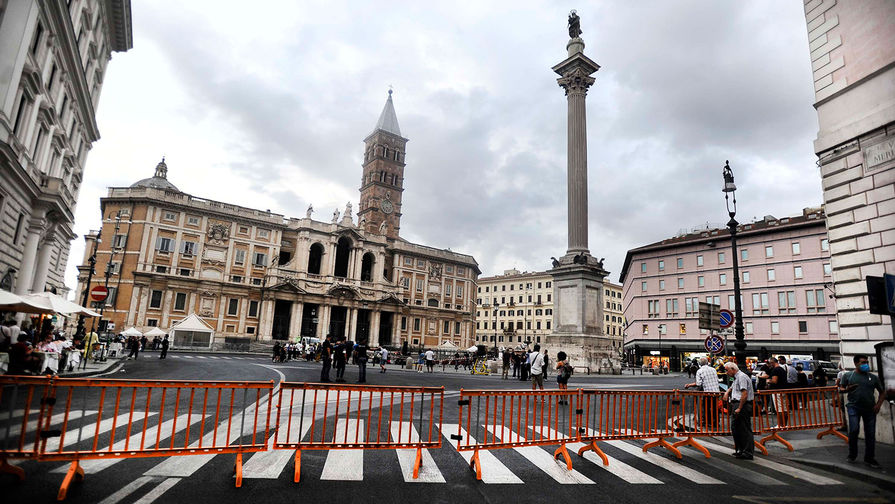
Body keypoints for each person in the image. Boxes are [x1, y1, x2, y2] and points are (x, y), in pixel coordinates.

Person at [840, 354, 885, 467]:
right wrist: (847, 389)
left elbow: (882, 392)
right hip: (853, 407)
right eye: (863, 362)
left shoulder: (873, 377)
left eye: (867, 362)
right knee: (854, 429)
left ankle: (869, 458)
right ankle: (852, 454)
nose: (866, 364)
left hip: (870, 409)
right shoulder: (848, 376)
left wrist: (878, 405)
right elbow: (841, 389)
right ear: (856, 363)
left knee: (870, 433)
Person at [722, 362, 755, 460]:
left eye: (727, 370)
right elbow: (733, 386)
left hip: (742, 405)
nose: (726, 372)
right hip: (737, 404)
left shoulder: (741, 377)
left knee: (744, 428)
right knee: (736, 428)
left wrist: (740, 407)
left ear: (733, 369)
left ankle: (747, 452)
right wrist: (727, 392)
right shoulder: (737, 377)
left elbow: (744, 394)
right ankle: (741, 449)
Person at [684, 357, 721, 430]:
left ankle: (707, 423)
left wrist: (689, 385)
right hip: (716, 392)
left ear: (700, 364)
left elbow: (698, 383)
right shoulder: (713, 369)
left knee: (706, 408)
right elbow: (717, 380)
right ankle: (716, 423)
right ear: (707, 362)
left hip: (707, 393)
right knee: (715, 408)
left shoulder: (700, 371)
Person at [764, 357, 788, 427]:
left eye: (769, 363)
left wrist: (769, 381)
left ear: (772, 362)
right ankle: (785, 424)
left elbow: (774, 381)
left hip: (777, 391)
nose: (769, 365)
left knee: (779, 409)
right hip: (783, 390)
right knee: (785, 408)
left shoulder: (775, 370)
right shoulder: (782, 369)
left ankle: (780, 425)